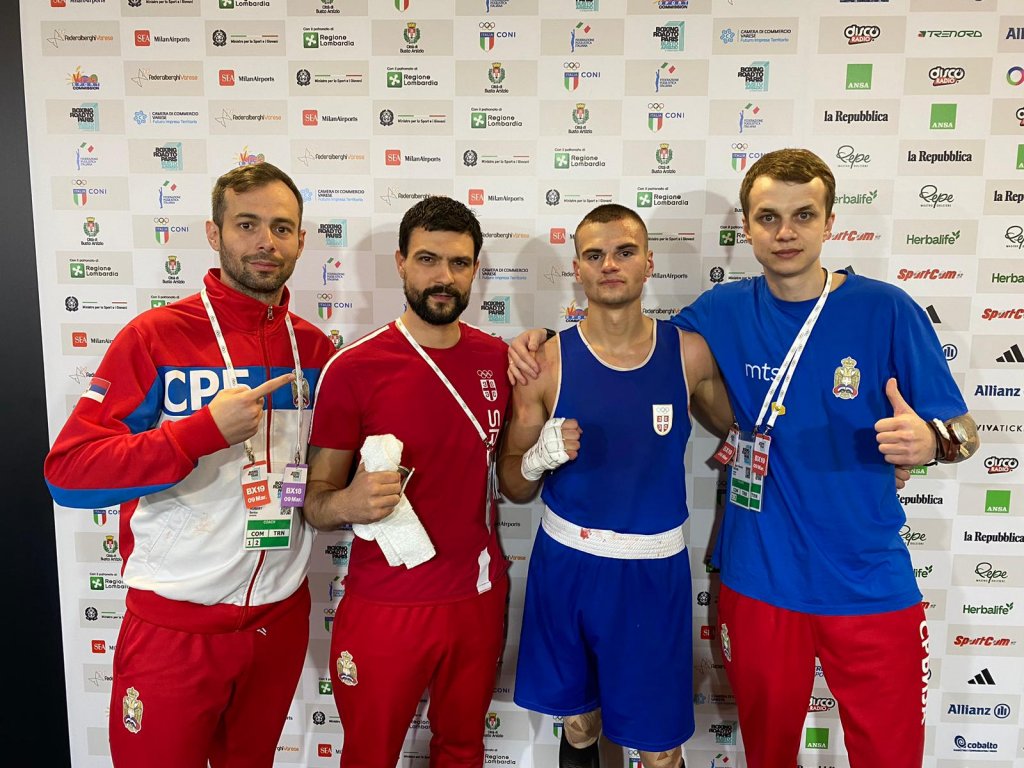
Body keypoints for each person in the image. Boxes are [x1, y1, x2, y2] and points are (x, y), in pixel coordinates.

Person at [509, 149, 979, 768]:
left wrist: (934, 443)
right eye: (768, 217)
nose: (785, 232)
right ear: (748, 229)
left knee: (892, 756)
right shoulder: (721, 311)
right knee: (768, 754)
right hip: (759, 579)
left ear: (830, 223)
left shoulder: (887, 309)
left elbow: (964, 432)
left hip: (868, 578)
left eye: (803, 215)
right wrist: (541, 340)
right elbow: (626, 341)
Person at [45, 162, 337, 768]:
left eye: (282, 228)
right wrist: (196, 434)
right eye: (247, 224)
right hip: (175, 629)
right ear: (214, 232)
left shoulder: (314, 349)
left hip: (279, 621)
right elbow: (68, 473)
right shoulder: (155, 336)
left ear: (301, 241)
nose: (266, 242)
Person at [498, 204, 731, 768]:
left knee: (659, 748)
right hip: (568, 565)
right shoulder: (545, 363)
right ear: (577, 268)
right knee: (580, 726)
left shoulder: (689, 353)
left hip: (653, 570)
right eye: (595, 254)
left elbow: (746, 431)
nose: (610, 264)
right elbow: (513, 485)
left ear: (648, 263)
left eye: (624, 252)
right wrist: (537, 460)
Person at [303, 196, 511, 768]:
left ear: (475, 269)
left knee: (463, 751)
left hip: (477, 598)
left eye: (459, 263)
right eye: (427, 259)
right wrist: (346, 502)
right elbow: (315, 502)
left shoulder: (499, 359)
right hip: (387, 605)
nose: (444, 277)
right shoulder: (354, 368)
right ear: (400, 262)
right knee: (369, 756)